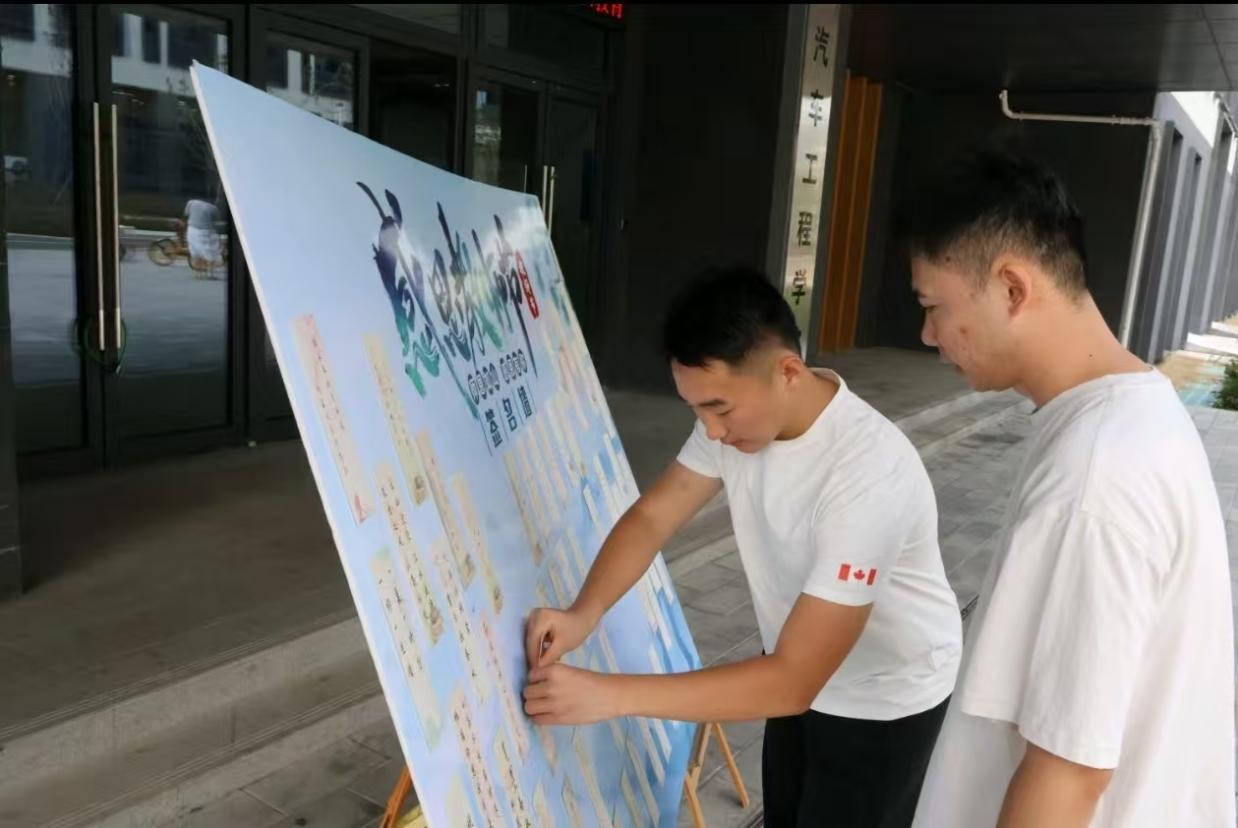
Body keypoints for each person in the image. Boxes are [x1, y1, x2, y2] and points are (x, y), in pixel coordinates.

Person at [523, 268, 962, 827]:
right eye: (697, 411)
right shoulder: (737, 426)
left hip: (884, 698)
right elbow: (653, 517)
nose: (711, 431)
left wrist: (610, 696)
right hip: (792, 676)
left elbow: (793, 681)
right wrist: (583, 614)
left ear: (788, 372)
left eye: (719, 408)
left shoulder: (868, 474)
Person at [905, 150, 1235, 827]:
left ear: (1011, 288)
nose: (928, 334)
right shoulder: (1133, 415)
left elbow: (1070, 772)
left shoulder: (1096, 476)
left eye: (934, 306)